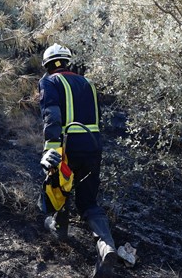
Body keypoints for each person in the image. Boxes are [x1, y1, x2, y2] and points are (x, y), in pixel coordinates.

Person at [38, 43, 118, 277]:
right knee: (88, 202)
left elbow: (51, 115)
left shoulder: (49, 82)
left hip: (67, 146)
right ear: (68, 62)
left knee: (59, 187)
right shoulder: (89, 84)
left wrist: (50, 149)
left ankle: (59, 227)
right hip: (93, 146)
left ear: (47, 65)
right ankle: (106, 247)